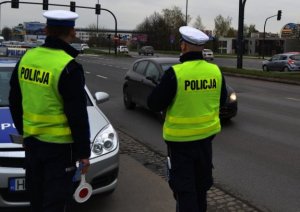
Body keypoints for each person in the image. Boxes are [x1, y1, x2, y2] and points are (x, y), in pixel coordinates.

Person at [9, 10, 91, 212]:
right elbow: (77, 115)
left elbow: (14, 100)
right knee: (55, 203)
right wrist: (83, 153)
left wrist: (25, 132)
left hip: (32, 145)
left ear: (46, 30)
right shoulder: (68, 66)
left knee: (36, 199)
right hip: (60, 151)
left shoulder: (27, 58)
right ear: (72, 32)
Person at [147, 26, 228, 212]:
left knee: (185, 193)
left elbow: (154, 103)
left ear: (183, 46)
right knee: (201, 190)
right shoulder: (215, 71)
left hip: (180, 144)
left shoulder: (175, 73)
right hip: (206, 142)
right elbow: (222, 100)